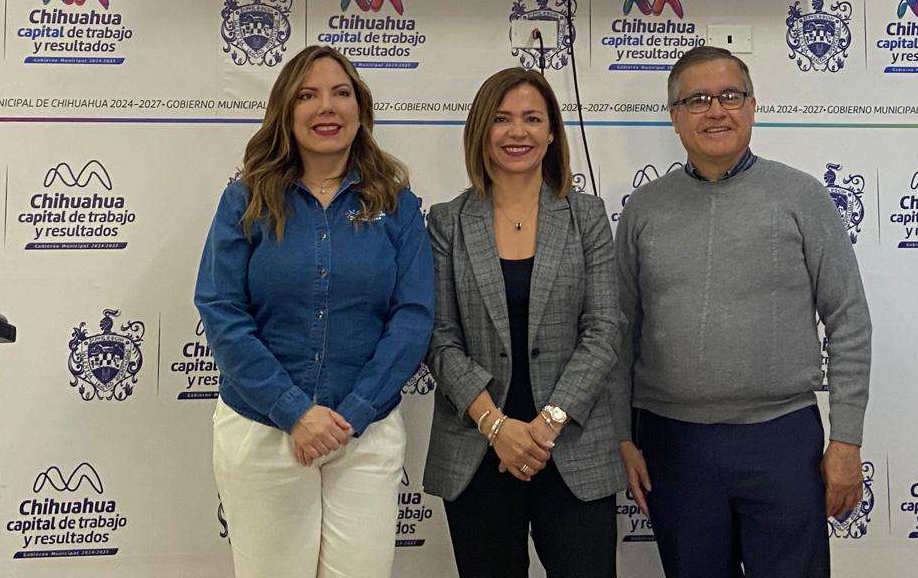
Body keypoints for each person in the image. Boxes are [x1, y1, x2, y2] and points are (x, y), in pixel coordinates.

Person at [610, 45, 871, 578]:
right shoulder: (643, 209)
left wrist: (846, 439)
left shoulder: (801, 196)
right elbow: (618, 331)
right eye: (697, 100)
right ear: (675, 116)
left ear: (752, 106)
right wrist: (622, 436)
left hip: (780, 438)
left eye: (730, 96)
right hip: (672, 443)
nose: (716, 111)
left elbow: (848, 319)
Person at [195, 45, 433, 578]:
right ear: (286, 110)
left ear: (360, 109)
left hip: (364, 434)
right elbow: (220, 308)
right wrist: (294, 411)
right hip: (263, 430)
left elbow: (413, 317)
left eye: (340, 93)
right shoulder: (245, 199)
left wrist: (356, 412)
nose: (326, 106)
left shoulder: (397, 204)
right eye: (308, 95)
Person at [424, 67, 624, 578]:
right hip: (477, 449)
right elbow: (439, 338)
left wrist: (547, 423)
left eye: (532, 119)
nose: (518, 132)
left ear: (552, 132)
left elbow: (604, 329)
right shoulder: (447, 222)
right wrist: (496, 425)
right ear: (481, 130)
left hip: (572, 448)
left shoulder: (587, 216)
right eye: (502, 119)